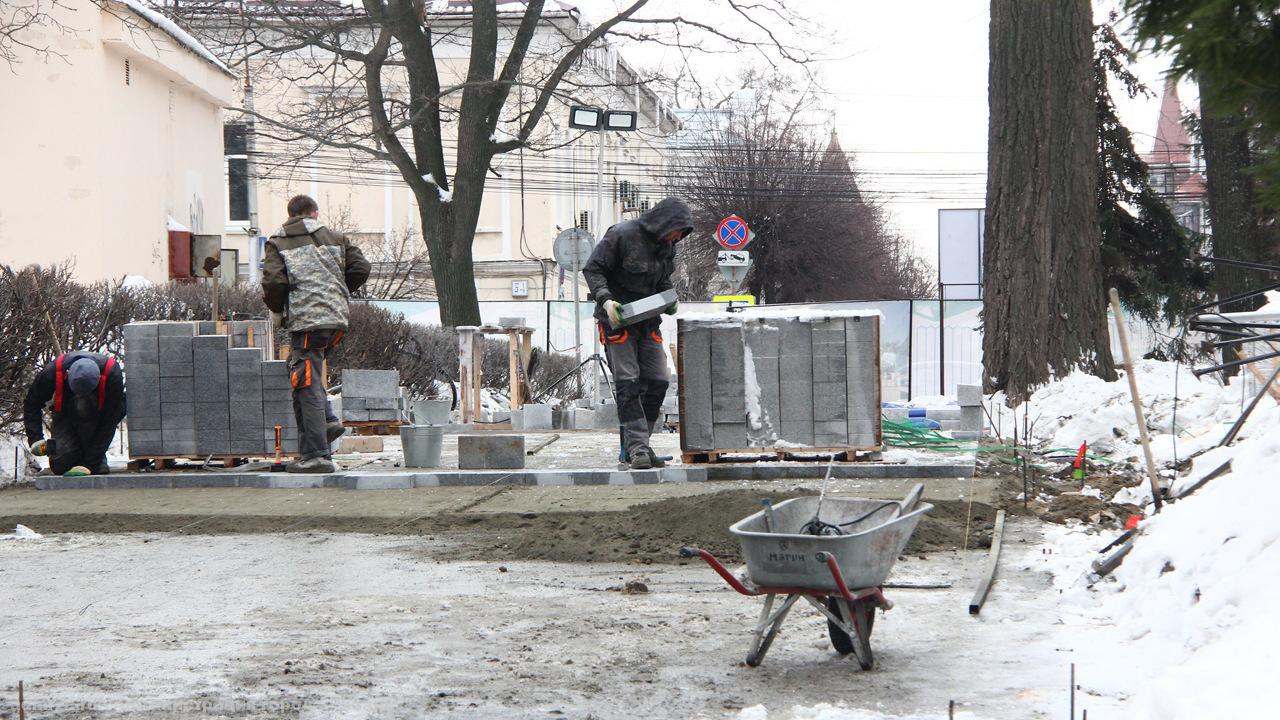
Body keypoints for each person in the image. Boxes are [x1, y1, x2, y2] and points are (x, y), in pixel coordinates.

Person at [262, 194, 370, 473]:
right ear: (315, 214)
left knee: (304, 383)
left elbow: (274, 281)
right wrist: (336, 290)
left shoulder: (278, 241)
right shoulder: (336, 237)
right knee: (308, 370)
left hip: (308, 321)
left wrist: (277, 309)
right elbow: (361, 268)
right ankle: (329, 420)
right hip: (335, 319)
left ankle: (316, 456)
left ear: (290, 215)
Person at [582, 196, 692, 469]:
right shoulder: (622, 235)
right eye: (678, 229)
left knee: (658, 380)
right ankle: (638, 448)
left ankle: (640, 445)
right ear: (665, 221)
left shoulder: (667, 245)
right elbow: (593, 268)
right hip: (617, 321)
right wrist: (606, 300)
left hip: (647, 321)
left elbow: (662, 277)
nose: (679, 236)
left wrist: (668, 297)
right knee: (628, 381)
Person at [24, 352, 126, 476]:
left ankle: (94, 457)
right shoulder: (51, 372)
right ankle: (78, 454)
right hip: (66, 413)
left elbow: (109, 421)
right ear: (68, 375)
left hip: (97, 415)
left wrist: (89, 464)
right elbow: (32, 403)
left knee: (96, 467)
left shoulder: (112, 374)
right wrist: (35, 438)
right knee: (61, 465)